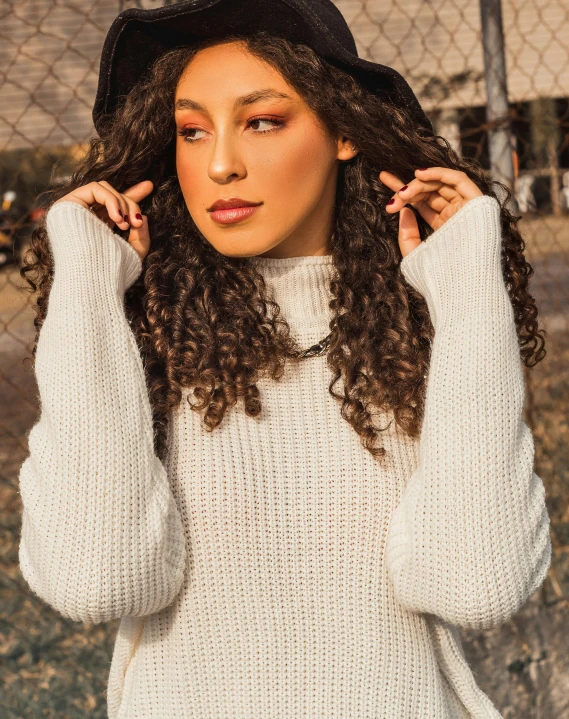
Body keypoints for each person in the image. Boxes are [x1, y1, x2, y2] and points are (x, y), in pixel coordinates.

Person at [17, 1, 551, 717]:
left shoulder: (422, 327)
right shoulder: (139, 335)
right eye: (191, 130)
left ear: (341, 131)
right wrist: (87, 286)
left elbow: (477, 581)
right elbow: (98, 579)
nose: (220, 163)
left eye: (262, 120)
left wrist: (465, 289)